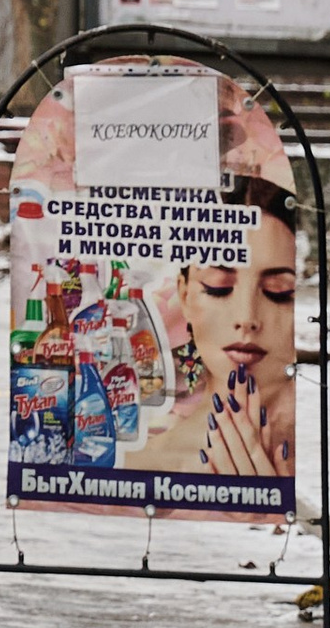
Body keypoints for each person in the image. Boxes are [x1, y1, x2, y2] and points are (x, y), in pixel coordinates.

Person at [128, 195, 299, 492]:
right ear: (184, 296)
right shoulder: (136, 466)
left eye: (278, 291)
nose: (247, 319)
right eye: (218, 288)